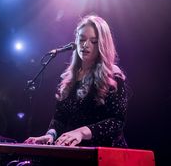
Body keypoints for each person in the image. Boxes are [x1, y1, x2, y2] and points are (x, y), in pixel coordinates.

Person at [24, 15, 128, 147]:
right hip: (75, 151)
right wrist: (50, 135)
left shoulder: (113, 75)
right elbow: (59, 119)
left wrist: (81, 132)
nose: (85, 45)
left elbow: (116, 122)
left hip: (107, 153)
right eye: (82, 39)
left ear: (103, 44)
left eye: (94, 41)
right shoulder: (67, 78)